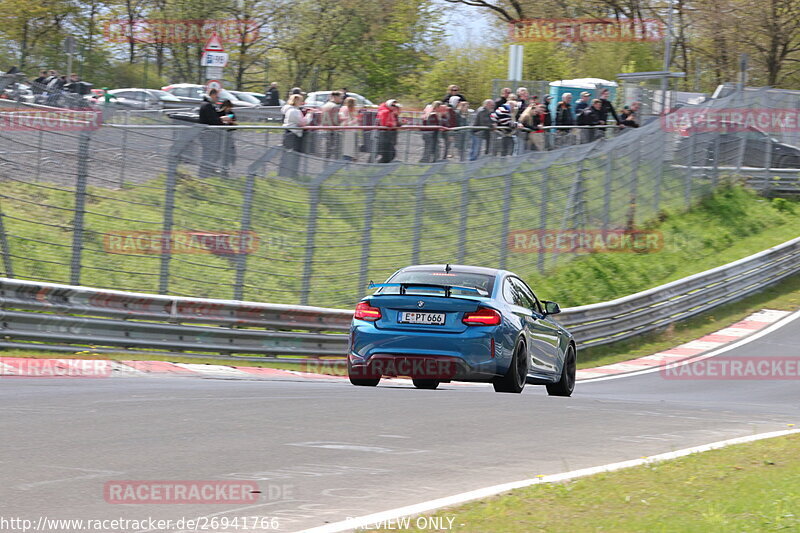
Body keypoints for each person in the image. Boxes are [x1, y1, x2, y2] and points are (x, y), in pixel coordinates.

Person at [280, 94, 307, 177]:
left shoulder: (289, 109)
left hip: (288, 132)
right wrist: (309, 115)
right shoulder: (294, 111)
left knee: (286, 154)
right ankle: (292, 174)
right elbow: (302, 122)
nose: (301, 102)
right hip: (294, 133)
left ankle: (284, 173)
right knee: (294, 155)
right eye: (300, 100)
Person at [319, 91, 343, 158]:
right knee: (334, 152)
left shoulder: (324, 106)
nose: (341, 99)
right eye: (340, 97)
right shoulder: (335, 107)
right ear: (335, 97)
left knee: (326, 151)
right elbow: (336, 121)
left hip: (324, 130)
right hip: (332, 131)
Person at [376, 99, 401, 163]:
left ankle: (380, 165)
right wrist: (393, 124)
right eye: (392, 105)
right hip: (385, 134)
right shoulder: (385, 112)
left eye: (394, 106)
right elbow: (384, 123)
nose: (394, 107)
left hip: (387, 133)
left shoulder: (389, 112)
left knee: (389, 153)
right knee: (387, 153)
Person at [338, 96, 359, 161]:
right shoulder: (345, 109)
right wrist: (353, 121)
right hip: (348, 130)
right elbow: (344, 119)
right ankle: (346, 164)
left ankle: (349, 161)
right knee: (347, 149)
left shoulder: (352, 110)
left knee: (349, 148)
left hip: (351, 130)